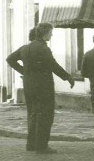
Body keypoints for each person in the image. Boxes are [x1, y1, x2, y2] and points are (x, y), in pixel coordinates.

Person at [6, 23, 74, 154]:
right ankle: (42, 146)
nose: (51, 35)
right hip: (43, 86)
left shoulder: (25, 48)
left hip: (28, 86)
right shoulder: (43, 48)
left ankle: (31, 144)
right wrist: (67, 77)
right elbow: (53, 65)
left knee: (32, 113)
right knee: (45, 114)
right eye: (50, 32)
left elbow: (10, 59)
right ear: (45, 33)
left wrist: (24, 71)